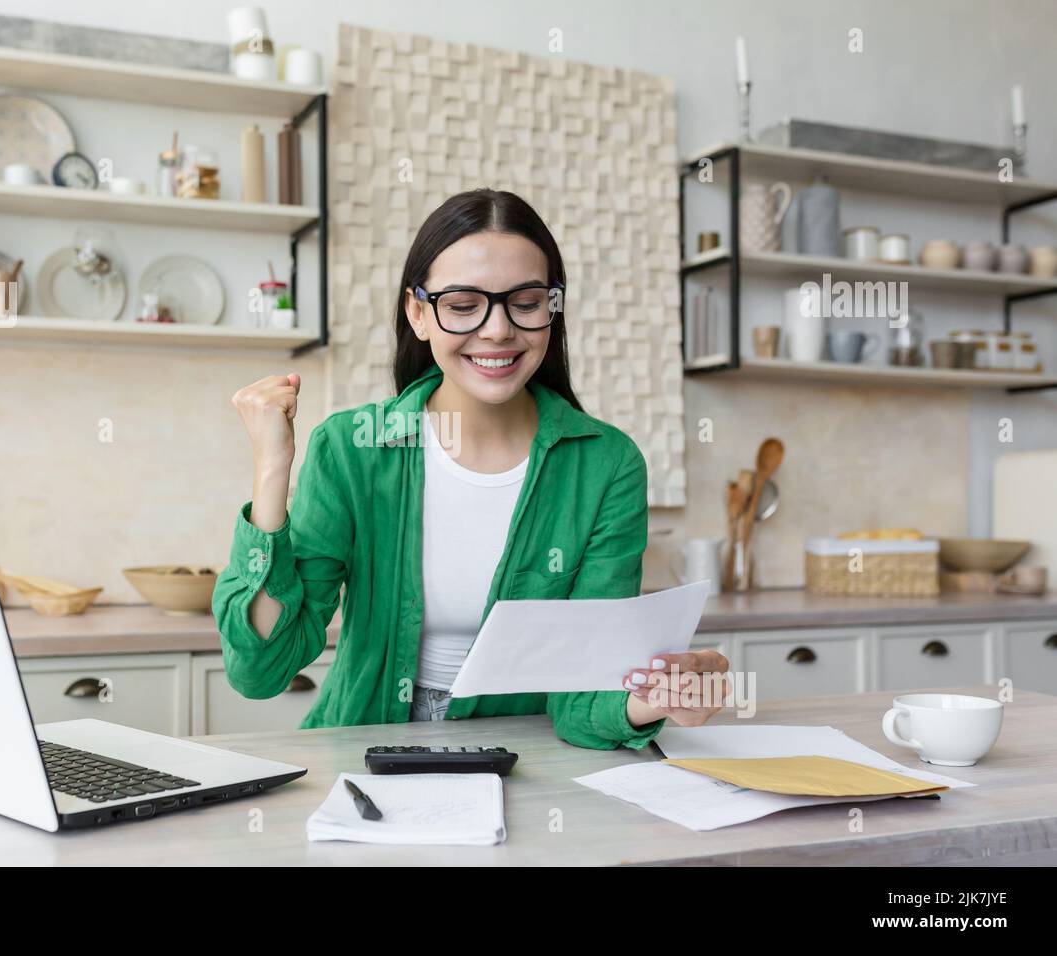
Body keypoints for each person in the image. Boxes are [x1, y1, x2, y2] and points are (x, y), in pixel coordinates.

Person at [213, 188, 730, 749]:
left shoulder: (606, 465)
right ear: (419, 313)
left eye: (526, 303)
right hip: (361, 755)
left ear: (552, 310)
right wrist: (273, 468)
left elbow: (582, 696)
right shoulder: (351, 449)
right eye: (463, 305)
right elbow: (262, 668)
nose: (498, 330)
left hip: (524, 762)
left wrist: (651, 699)